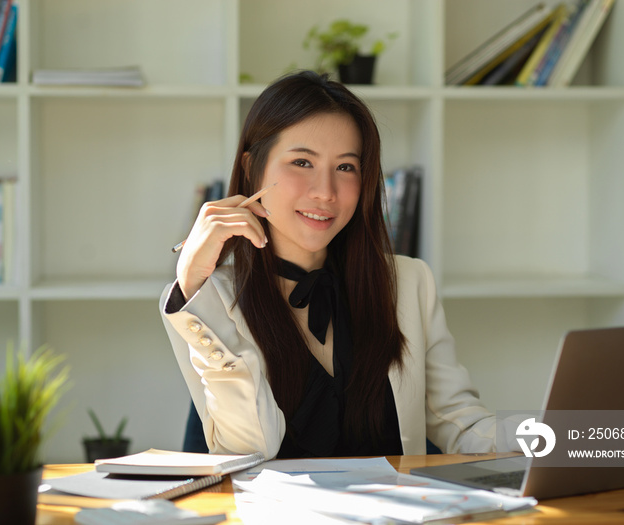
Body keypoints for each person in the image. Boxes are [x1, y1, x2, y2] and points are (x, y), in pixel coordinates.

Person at [160, 70, 511, 459]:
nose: (325, 192)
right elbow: (247, 452)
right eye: (301, 162)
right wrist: (193, 283)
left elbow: (463, 424)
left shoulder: (409, 284)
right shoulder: (203, 300)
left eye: (345, 167)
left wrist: (573, 436)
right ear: (251, 168)